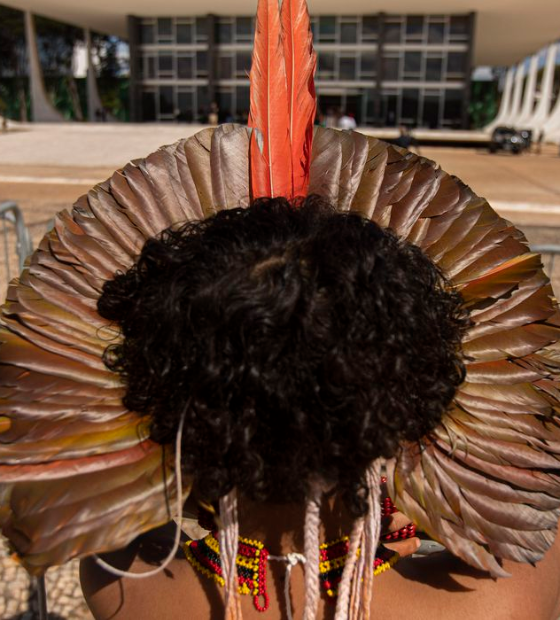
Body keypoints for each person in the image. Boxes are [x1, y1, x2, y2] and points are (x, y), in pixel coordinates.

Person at [79, 198, 560, 620]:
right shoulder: (502, 603)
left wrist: (204, 482)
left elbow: (111, 500)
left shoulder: (120, 584)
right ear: (403, 405)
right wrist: (411, 509)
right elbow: (536, 505)